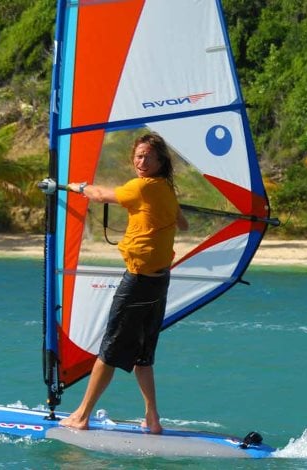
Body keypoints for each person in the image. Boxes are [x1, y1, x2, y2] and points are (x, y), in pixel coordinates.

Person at [60, 132, 187, 434]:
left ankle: (81, 416)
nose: (142, 161)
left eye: (148, 156)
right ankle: (152, 419)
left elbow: (101, 195)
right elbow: (183, 224)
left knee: (110, 350)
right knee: (142, 355)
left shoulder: (142, 187)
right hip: (159, 283)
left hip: (140, 282)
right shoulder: (165, 189)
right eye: (138, 156)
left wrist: (74, 186)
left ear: (160, 161)